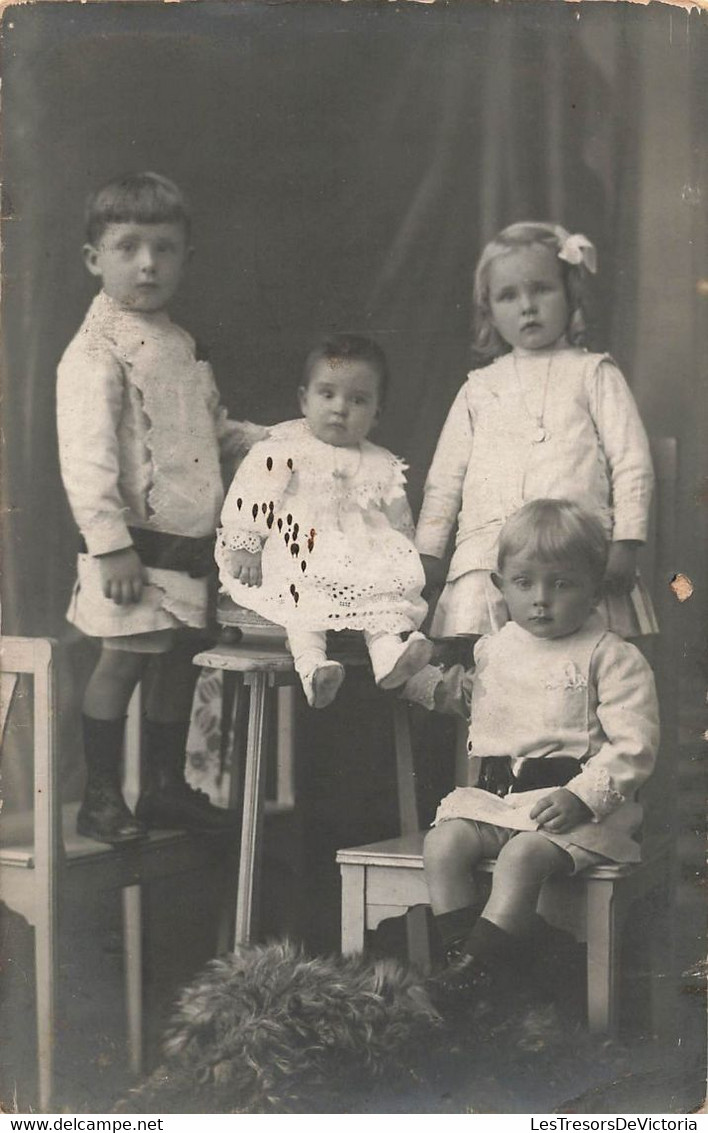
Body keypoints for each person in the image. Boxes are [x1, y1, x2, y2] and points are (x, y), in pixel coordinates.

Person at [57, 172, 265, 844]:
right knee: (122, 659)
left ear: (187, 257)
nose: (148, 263)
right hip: (131, 548)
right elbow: (87, 457)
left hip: (185, 542)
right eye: (128, 247)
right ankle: (100, 795)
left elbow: (211, 433)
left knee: (177, 659)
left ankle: (165, 788)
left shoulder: (181, 344)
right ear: (95, 257)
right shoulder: (94, 351)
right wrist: (108, 542)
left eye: (165, 248)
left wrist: (284, 440)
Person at [404, 499, 659, 997]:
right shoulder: (495, 649)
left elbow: (635, 744)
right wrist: (410, 677)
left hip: (576, 813)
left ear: (595, 587)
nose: (541, 600)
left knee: (522, 858)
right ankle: (470, 967)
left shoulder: (612, 657)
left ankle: (475, 974)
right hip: (499, 802)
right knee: (444, 843)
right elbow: (470, 697)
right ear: (500, 587)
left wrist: (581, 797)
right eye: (524, 583)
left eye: (561, 584)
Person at [415, 221, 657, 651]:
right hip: (493, 561)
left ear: (570, 293)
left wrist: (626, 542)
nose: (527, 306)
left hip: (573, 554)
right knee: (488, 671)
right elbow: (445, 480)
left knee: (583, 666)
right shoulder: (478, 387)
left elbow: (631, 462)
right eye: (508, 296)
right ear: (488, 310)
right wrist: (429, 554)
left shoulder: (594, 373)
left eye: (541, 289)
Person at [216, 334, 433, 709]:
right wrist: (245, 543)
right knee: (302, 601)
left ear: (377, 413)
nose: (340, 409)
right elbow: (253, 494)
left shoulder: (381, 461)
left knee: (383, 596)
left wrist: (403, 558)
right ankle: (313, 666)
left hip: (360, 557)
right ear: (304, 399)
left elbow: (398, 517)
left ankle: (388, 657)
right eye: (327, 394)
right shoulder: (284, 446)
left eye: (358, 400)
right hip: (298, 550)